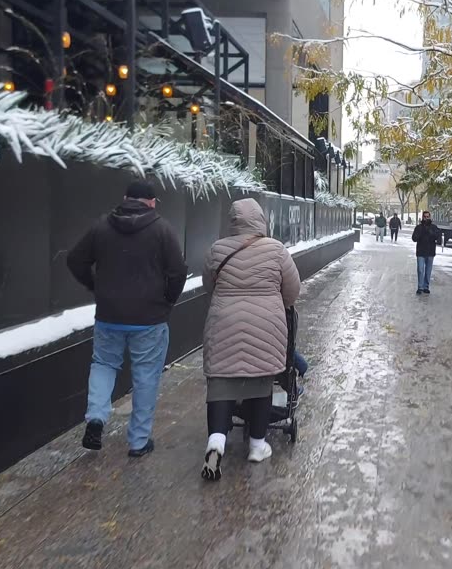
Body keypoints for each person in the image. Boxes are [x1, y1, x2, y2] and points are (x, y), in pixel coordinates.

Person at [67, 180, 187, 457]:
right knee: (146, 376)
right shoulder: (162, 229)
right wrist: (167, 300)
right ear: (152, 202)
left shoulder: (101, 227)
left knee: (103, 364)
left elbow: (75, 260)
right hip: (149, 318)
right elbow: (178, 272)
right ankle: (138, 441)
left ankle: (96, 418)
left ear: (125, 198)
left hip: (109, 315)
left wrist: (96, 287)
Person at [200, 198, 301, 481]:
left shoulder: (217, 249)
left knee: (220, 384)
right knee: (261, 382)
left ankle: (216, 442)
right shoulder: (276, 249)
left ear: (232, 221)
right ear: (261, 219)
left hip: (224, 324)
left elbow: (208, 286)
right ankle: (257, 445)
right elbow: (292, 291)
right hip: (266, 325)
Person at [412, 210, 439, 294]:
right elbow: (414, 238)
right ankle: (420, 287)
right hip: (421, 252)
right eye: (425, 217)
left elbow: (438, 237)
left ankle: (426, 286)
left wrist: (432, 234)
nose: (426, 218)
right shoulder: (419, 227)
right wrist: (420, 234)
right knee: (420, 270)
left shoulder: (434, 227)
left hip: (430, 252)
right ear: (422, 217)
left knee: (428, 271)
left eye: (428, 217)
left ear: (430, 217)